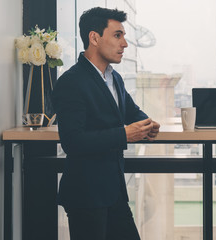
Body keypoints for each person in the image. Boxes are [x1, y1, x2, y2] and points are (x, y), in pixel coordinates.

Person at [52, 7, 160, 240]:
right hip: (86, 195)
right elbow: (73, 142)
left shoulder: (115, 78)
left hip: (114, 193)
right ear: (94, 37)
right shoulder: (71, 82)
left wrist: (148, 123)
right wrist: (124, 135)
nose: (125, 44)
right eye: (117, 35)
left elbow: (132, 111)